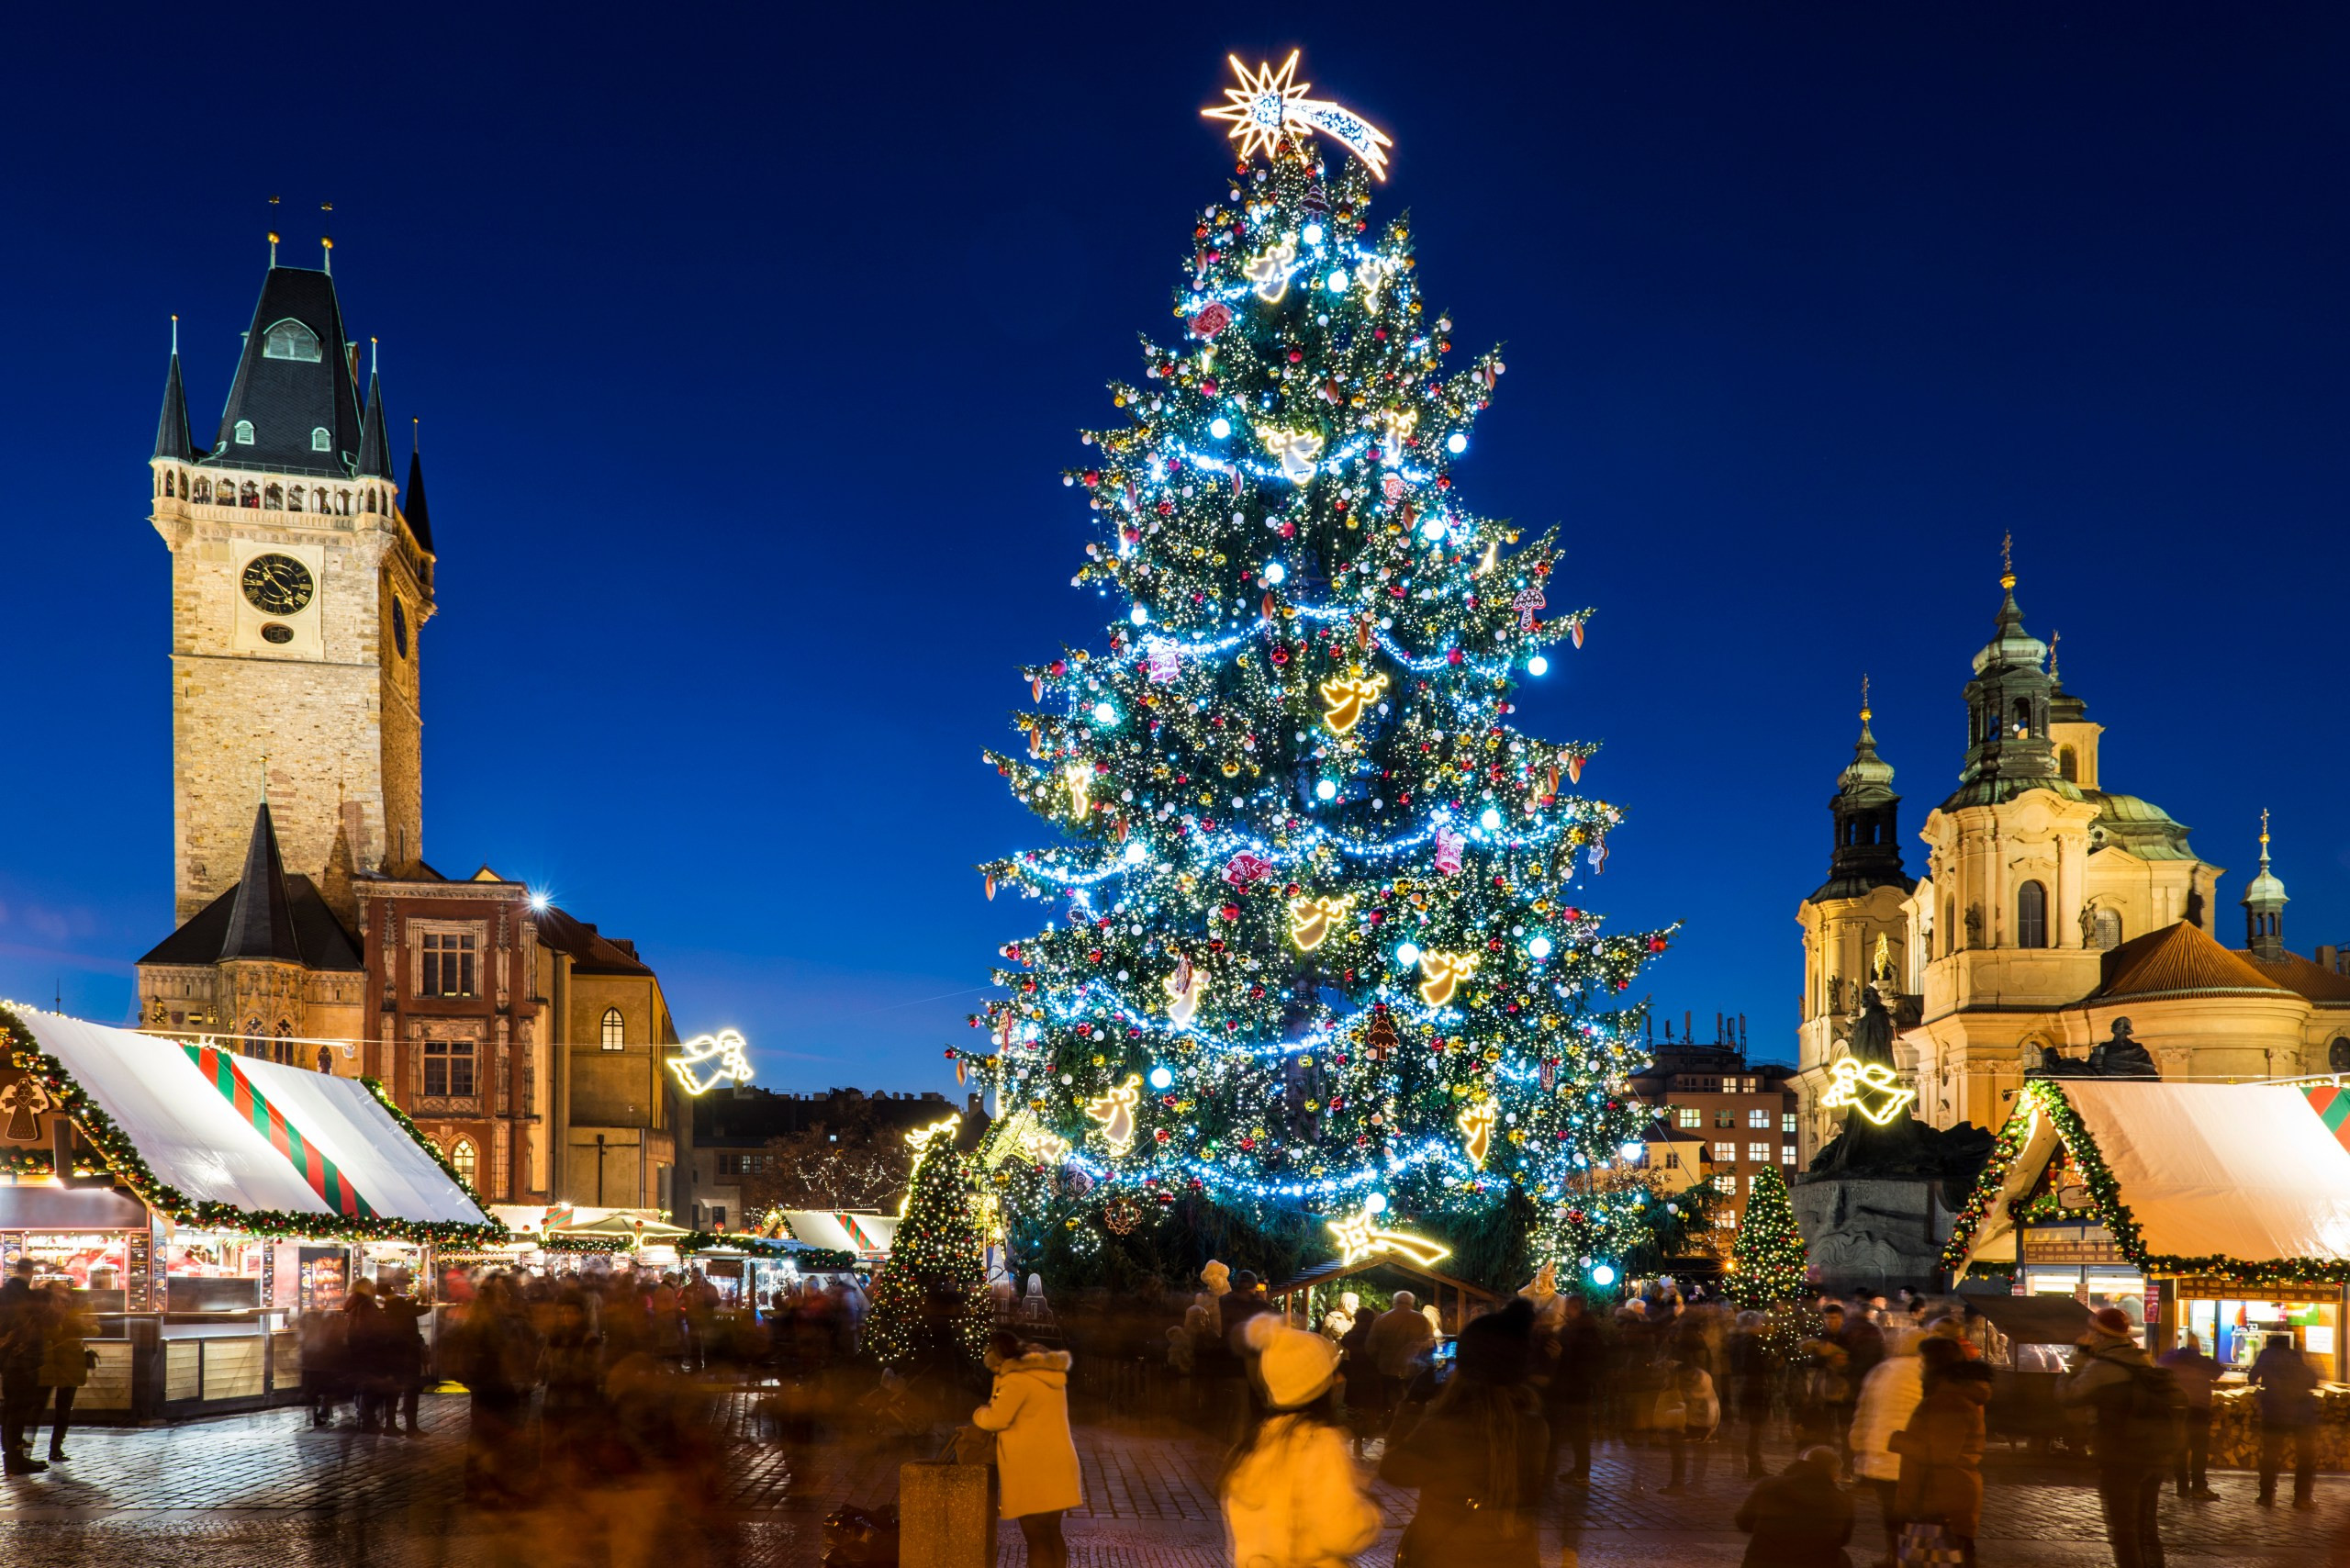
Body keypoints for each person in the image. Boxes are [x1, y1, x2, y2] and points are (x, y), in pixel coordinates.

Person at [1381, 1299, 1549, 1568]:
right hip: (1516, 1557)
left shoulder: (1446, 1428)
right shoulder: (1535, 1426)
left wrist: (1411, 1406)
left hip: (1446, 1556)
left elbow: (1393, 1470)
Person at [1221, 1314, 1380, 1568]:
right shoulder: (1318, 1442)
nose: (1340, 1379)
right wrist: (1370, 1512)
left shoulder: (1254, 1442)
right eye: (1333, 1373)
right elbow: (1340, 1531)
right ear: (1314, 1384)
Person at [2062, 1305, 2171, 1568]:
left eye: (2092, 1331)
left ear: (2100, 1335)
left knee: (2124, 1530)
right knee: (2147, 1526)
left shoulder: (2103, 1367)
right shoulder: (2144, 1358)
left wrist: (2078, 1357)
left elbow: (2068, 1395)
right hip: (2154, 1453)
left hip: (2120, 1455)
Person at [972, 1329, 1082, 1568]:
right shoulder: (1049, 1373)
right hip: (1059, 1463)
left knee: (1036, 1537)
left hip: (1033, 1468)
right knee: (1052, 1532)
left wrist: (979, 1413)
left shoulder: (1015, 1378)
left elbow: (996, 1419)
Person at [1890, 1340, 1989, 1568]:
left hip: (1940, 1498)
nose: (1920, 1367)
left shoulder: (1949, 1401)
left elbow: (1941, 1454)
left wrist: (1900, 1441)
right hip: (1942, 1494)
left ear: (1936, 1365)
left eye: (1924, 1362)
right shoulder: (1950, 1396)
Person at [1848, 1328, 1926, 1563]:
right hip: (1913, 1454)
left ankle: (1893, 1555)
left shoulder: (1883, 1370)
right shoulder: (1926, 1372)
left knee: (1890, 1510)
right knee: (1916, 1509)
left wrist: (1858, 1443)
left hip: (1882, 1453)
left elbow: (1863, 1410)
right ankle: (1913, 1555)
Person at [1731, 1443, 1856, 1568]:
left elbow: (1744, 1522)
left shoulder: (1769, 1485)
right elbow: (1843, 1539)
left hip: (1762, 1563)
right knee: (1842, 1559)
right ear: (1834, 1474)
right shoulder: (1842, 1499)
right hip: (1816, 1563)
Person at [2250, 1330, 2319, 1509]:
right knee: (2305, 1457)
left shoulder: (2266, 1355)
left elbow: (2251, 1377)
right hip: (2302, 1414)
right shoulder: (2296, 1357)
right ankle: (2302, 1498)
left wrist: (2262, 1387)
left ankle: (2266, 1496)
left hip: (2274, 1412)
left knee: (2271, 1455)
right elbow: (2313, 1380)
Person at [2156, 1331, 2221, 1501]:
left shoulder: (2169, 1359)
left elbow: (2158, 1367)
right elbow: (2218, 1370)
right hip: (2199, 1410)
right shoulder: (2201, 1361)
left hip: (2177, 1409)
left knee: (2180, 1449)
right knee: (2199, 1450)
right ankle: (2198, 1486)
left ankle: (2182, 1485)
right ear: (2196, 1345)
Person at [36, 1283, 95, 1463]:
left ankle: (56, 1448)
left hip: (68, 1360)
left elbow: (95, 1327)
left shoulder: (82, 1305)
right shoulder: (45, 1306)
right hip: (50, 1361)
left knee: (63, 1408)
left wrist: (81, 1328)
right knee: (39, 1407)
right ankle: (24, 1448)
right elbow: (45, 1331)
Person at [0, 1260, 48, 1474]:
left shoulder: (6, 1293)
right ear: (30, 1272)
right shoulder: (24, 1297)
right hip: (22, 1359)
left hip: (10, 1359)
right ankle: (15, 1459)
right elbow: (42, 1318)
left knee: (12, 1409)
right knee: (19, 1408)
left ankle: (12, 1457)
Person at [1729, 1311, 1779, 1479]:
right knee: (1755, 1430)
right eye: (1759, 1324)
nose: (1761, 1327)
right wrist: (1771, 1362)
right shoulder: (1751, 1342)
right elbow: (1754, 1365)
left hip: (1746, 1387)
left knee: (1753, 1431)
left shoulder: (1738, 1340)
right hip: (1754, 1388)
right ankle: (1754, 1466)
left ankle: (1754, 1465)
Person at [1369, 1290, 1436, 1405]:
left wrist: (1379, 1361)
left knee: (1388, 1401)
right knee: (1410, 1401)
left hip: (1387, 1369)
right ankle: (1407, 1420)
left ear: (1394, 1302)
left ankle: (1388, 1419)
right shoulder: (1421, 1319)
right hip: (1412, 1370)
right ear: (1411, 1303)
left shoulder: (1381, 1319)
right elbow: (1429, 1345)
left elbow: (1371, 1346)